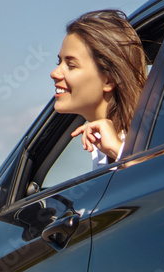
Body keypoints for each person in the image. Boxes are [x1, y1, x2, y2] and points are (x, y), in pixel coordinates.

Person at [49, 9, 148, 163]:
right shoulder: (100, 145)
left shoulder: (153, 138)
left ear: (108, 80)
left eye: (71, 65)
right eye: (59, 62)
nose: (54, 73)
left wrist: (117, 150)